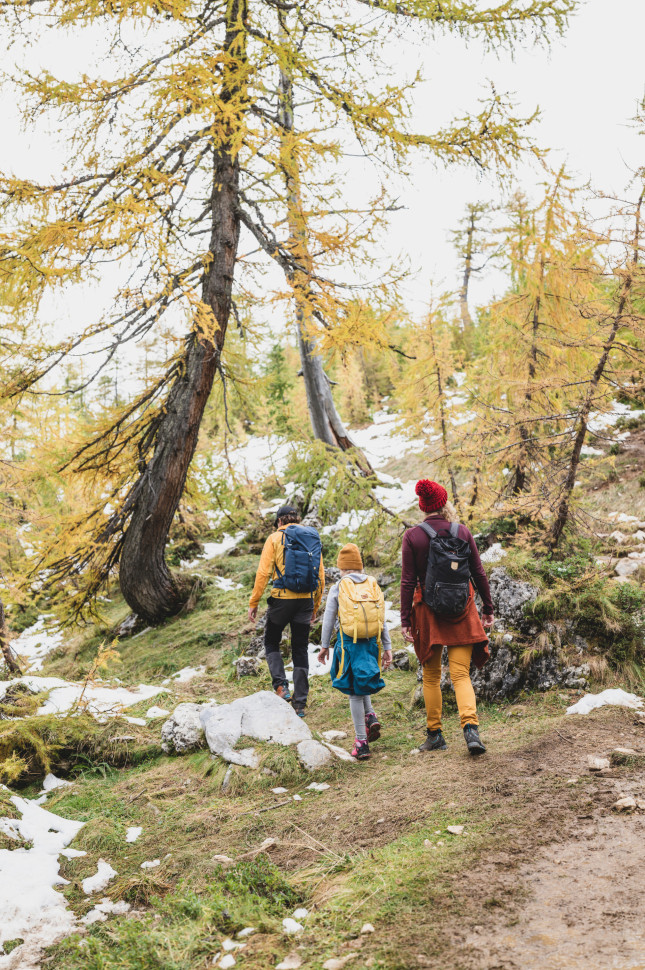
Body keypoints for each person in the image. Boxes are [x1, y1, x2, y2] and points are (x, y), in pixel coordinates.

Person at [400, 480, 494, 755]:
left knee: (430, 677)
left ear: (423, 507)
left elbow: (407, 581)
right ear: (444, 504)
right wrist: (487, 608)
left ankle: (435, 735)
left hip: (427, 612)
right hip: (462, 609)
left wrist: (405, 620)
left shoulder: (413, 537)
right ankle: (470, 730)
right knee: (461, 674)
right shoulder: (461, 532)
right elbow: (479, 573)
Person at [248, 505, 324, 717]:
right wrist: (315, 606)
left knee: (271, 640)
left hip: (281, 600)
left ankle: (281, 686)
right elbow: (321, 575)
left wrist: (254, 602)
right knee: (300, 648)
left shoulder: (275, 538)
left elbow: (263, 573)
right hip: (305, 601)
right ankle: (300, 705)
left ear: (279, 521)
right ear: (297, 520)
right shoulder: (311, 537)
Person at [318, 543, 393, 760]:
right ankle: (370, 716)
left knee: (353, 690)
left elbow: (329, 620)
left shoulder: (339, 586)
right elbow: (381, 619)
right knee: (363, 680)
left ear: (342, 568)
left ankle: (361, 742)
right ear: (359, 566)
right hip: (372, 642)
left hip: (349, 642)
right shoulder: (371, 584)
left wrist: (324, 646)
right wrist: (387, 647)